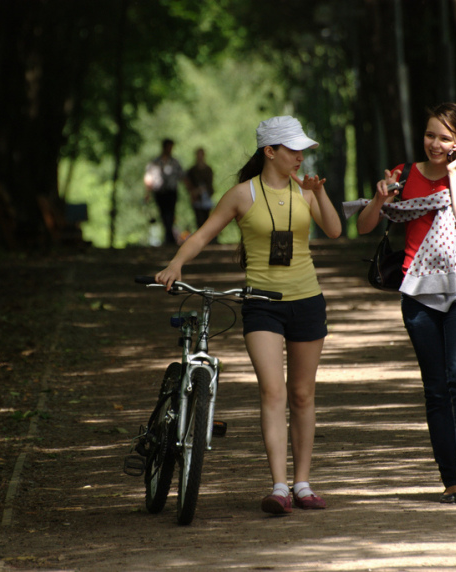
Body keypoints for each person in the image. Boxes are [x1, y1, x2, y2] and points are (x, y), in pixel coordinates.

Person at [155, 116, 342, 514]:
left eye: (302, 150)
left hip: (307, 300)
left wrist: (318, 194)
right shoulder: (242, 194)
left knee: (303, 394)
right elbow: (204, 234)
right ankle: (278, 486)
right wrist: (176, 264)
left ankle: (303, 484)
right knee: (273, 392)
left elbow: (335, 230)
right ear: (269, 152)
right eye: (292, 149)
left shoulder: (305, 190)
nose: (300, 156)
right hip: (262, 304)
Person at [355, 103, 456, 505]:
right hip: (417, 294)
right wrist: (379, 200)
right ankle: (450, 479)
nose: (435, 144)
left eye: (445, 138)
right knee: (435, 389)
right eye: (431, 135)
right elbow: (363, 226)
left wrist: (452, 174)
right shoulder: (404, 174)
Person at [145, 138, 185, 245]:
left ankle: (169, 237)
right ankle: (169, 236)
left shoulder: (175, 162)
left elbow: (182, 177)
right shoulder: (155, 163)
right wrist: (147, 193)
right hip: (160, 193)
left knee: (171, 214)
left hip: (172, 192)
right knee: (163, 214)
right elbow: (149, 179)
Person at [186, 147, 215, 231]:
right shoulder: (192, 170)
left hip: (206, 197)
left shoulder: (208, 169)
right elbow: (188, 184)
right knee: (199, 219)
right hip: (196, 198)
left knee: (208, 219)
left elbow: (210, 183)